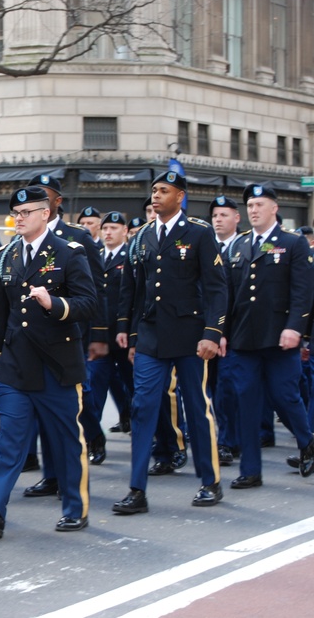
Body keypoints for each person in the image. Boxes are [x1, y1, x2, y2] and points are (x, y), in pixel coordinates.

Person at [0, 185, 97, 538]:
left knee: (66, 440)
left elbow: (88, 303)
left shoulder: (69, 252)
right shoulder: (8, 255)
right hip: (16, 364)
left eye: (26, 213)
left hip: (57, 364)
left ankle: (74, 507)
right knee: (9, 439)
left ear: (46, 214)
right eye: (16, 213)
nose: (19, 218)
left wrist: (54, 304)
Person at [114, 170, 226, 515]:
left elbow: (217, 287)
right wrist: (129, 333)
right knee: (143, 406)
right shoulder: (142, 236)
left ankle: (210, 482)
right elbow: (132, 288)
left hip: (190, 335)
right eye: (154, 191)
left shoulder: (199, 233)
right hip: (150, 336)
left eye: (164, 190)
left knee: (196, 406)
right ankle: (137, 490)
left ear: (180, 196)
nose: (156, 196)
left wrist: (213, 332)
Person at [222, 184, 314, 485]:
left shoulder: (293, 242)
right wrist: (220, 331)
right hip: (244, 338)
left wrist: (295, 328)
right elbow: (227, 293)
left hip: (279, 337)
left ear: (274, 208)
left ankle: (307, 442)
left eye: (260, 204)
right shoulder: (239, 245)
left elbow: (302, 292)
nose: (254, 210)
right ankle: (250, 471)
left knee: (285, 396)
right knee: (246, 402)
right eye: (250, 205)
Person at [23, 173, 108, 496]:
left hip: (71, 334)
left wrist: (98, 334)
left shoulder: (77, 239)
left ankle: (94, 438)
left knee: (76, 402)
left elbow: (96, 291)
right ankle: (53, 475)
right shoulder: (21, 241)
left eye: (43, 196)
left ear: (55, 203)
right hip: (33, 339)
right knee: (44, 408)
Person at [89, 211, 134, 442]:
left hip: (124, 338)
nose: (108, 232)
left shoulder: (132, 256)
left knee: (135, 388)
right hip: (102, 338)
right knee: (93, 389)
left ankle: (157, 436)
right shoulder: (95, 256)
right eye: (105, 228)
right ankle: (94, 440)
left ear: (125, 231)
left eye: (114, 228)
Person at [210, 195, 243, 466]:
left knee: (226, 389)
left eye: (223, 215)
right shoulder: (206, 245)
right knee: (208, 389)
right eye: (215, 216)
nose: (218, 220)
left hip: (236, 332)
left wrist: (224, 331)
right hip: (208, 332)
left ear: (236, 218)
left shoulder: (245, 246)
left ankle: (227, 442)